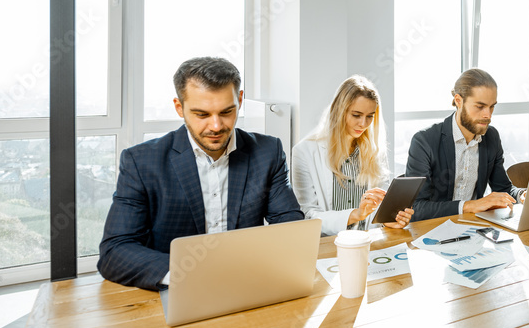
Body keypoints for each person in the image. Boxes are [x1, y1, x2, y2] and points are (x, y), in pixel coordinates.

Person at [98, 57, 304, 291]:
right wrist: (191, 275)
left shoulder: (268, 152)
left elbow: (291, 228)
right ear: (179, 108)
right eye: (202, 115)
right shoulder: (142, 162)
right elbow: (115, 251)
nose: (216, 126)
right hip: (177, 292)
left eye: (226, 112)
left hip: (249, 285)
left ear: (240, 100)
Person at [291, 75, 412, 236]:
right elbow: (308, 216)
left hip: (369, 243)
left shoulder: (374, 151)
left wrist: (389, 219)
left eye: (370, 116)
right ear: (339, 111)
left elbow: (379, 208)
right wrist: (356, 214)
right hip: (329, 246)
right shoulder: (304, 152)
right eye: (356, 115)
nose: (363, 123)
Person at [406, 68, 525, 221]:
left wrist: (522, 195)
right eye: (480, 106)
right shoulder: (424, 141)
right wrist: (470, 206)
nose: (487, 115)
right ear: (458, 101)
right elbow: (416, 207)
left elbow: (503, 189)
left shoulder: (491, 137)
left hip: (474, 230)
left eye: (492, 106)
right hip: (431, 231)